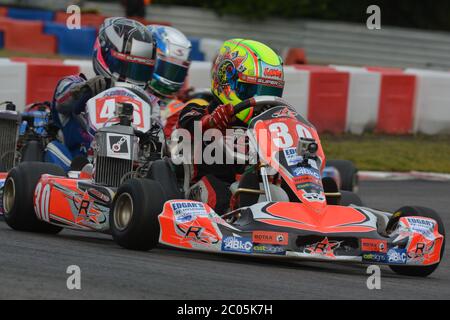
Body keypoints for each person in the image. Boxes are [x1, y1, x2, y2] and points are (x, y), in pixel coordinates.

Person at [176, 38, 285, 214]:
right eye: (252, 91)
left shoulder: (267, 125)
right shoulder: (197, 109)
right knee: (219, 196)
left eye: (270, 93)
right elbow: (188, 126)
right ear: (227, 81)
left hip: (258, 187)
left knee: (286, 192)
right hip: (206, 186)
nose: (260, 102)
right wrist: (211, 122)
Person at [49, 17, 157, 171]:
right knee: (53, 149)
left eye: (139, 69)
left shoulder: (149, 103)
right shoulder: (75, 83)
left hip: (131, 175)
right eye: (125, 64)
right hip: (74, 167)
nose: (131, 74)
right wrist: (85, 90)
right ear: (104, 53)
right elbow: (61, 101)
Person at [145, 25, 192, 138]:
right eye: (167, 68)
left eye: (177, 70)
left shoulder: (177, 110)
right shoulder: (127, 94)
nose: (172, 76)